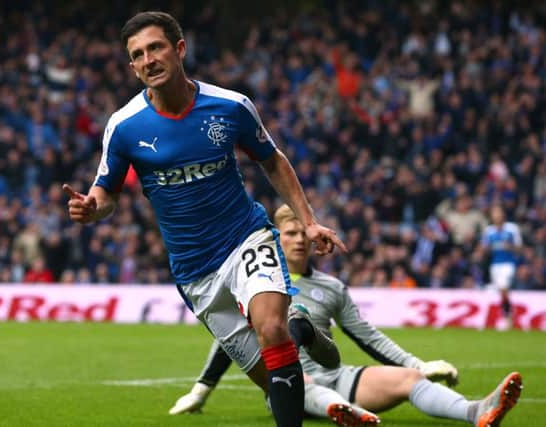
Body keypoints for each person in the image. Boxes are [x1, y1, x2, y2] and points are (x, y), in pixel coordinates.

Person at [62, 11, 346, 427]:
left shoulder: (230, 106)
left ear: (179, 49)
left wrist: (308, 220)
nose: (148, 60)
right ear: (132, 66)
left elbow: (273, 161)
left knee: (270, 330)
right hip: (194, 272)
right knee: (276, 382)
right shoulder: (123, 126)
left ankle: (285, 332)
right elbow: (106, 193)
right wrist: (91, 209)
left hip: (245, 239)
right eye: (137, 55)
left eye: (155, 47)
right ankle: (300, 330)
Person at [170, 204, 523, 427]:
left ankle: (477, 412)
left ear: (310, 239)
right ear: (274, 239)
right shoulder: (257, 284)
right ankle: (346, 413)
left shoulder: (332, 287)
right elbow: (231, 341)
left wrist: (419, 364)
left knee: (409, 381)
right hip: (288, 383)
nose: (296, 240)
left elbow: (368, 336)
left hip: (337, 374)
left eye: (300, 233)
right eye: (287, 234)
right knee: (303, 380)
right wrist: (202, 390)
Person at [480, 204, 523, 329]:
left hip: (508, 264)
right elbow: (484, 249)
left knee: (503, 287)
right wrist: (486, 248)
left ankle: (507, 316)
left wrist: (509, 246)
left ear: (503, 214)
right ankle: (508, 314)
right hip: (495, 264)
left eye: (498, 212)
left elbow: (519, 248)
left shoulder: (512, 229)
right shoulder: (489, 231)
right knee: (501, 291)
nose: (497, 215)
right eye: (494, 213)